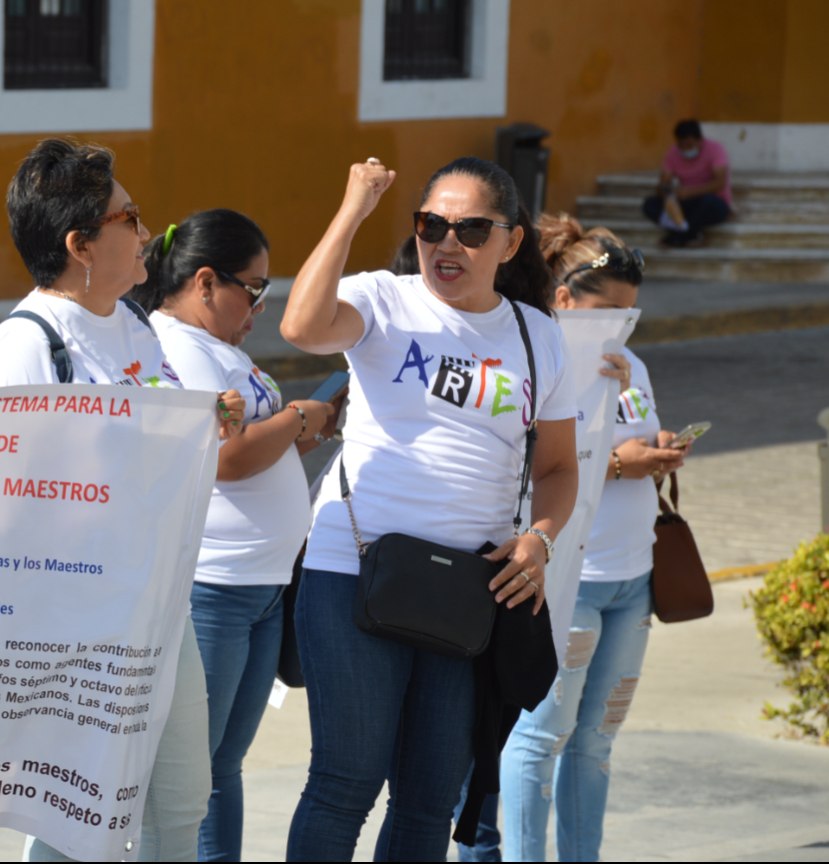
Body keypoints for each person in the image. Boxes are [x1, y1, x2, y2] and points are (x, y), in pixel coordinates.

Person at [279, 156, 580, 861]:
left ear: (509, 243)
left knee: (426, 801)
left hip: (468, 588)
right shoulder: (383, 300)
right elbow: (300, 325)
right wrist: (352, 210)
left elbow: (559, 468)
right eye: (430, 225)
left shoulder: (538, 337)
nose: (447, 244)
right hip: (351, 570)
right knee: (343, 783)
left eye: (471, 230)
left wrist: (540, 537)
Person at [0, 138, 245, 863]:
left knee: (179, 804)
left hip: (157, 606)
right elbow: (6, 507)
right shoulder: (24, 346)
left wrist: (197, 428)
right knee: (75, 819)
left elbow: (156, 454)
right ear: (80, 244)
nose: (147, 230)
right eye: (131, 217)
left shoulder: (134, 326)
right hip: (76, 628)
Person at [129, 210, 342, 861]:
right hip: (211, 589)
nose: (257, 307)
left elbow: (250, 445)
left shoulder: (218, 349)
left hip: (259, 586)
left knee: (221, 766)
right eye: (252, 290)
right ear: (203, 281)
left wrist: (298, 427)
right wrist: (301, 417)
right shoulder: (173, 347)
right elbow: (225, 459)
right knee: (192, 771)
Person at [498, 213, 690, 863]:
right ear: (562, 297)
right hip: (568, 582)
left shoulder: (627, 362)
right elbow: (527, 469)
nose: (621, 327)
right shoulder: (539, 359)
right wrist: (617, 463)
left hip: (630, 582)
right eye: (607, 310)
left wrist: (658, 448)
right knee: (539, 737)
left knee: (596, 741)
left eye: (630, 314)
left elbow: (631, 435)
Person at [641, 119, 731, 248]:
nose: (685, 149)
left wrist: (690, 192)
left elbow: (720, 183)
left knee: (707, 202)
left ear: (699, 140)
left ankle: (676, 237)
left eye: (689, 145)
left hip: (713, 202)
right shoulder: (673, 153)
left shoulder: (715, 149)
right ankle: (691, 233)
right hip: (686, 202)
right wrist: (666, 194)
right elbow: (664, 183)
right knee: (650, 205)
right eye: (681, 145)